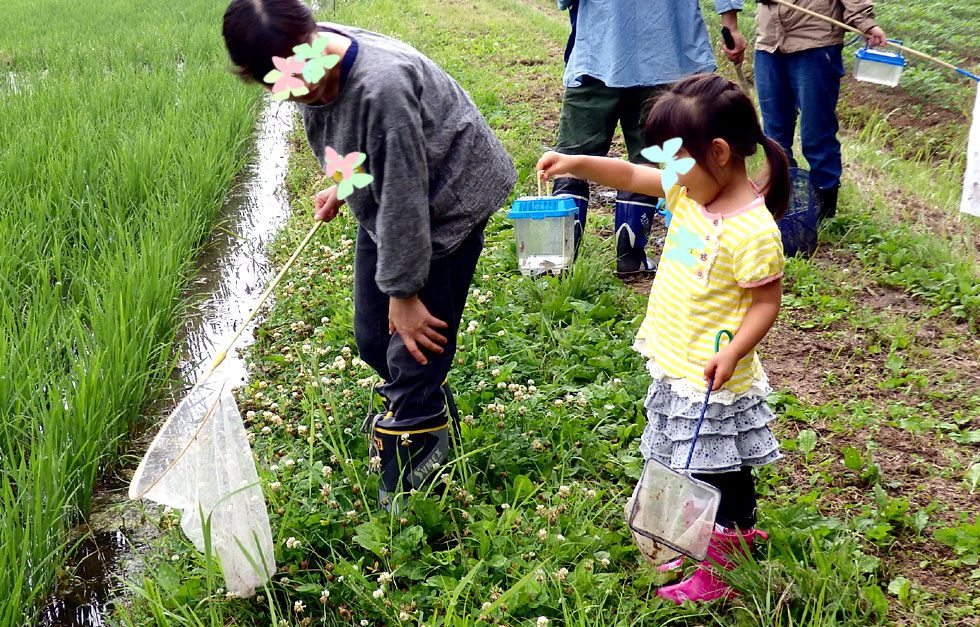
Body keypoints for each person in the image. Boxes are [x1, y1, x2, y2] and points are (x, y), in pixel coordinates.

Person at [222, 0, 516, 509]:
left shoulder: (383, 88)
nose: (301, 88)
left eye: (303, 72)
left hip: (445, 200)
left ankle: (418, 457)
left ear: (312, 36)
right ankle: (421, 399)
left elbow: (404, 195)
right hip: (397, 196)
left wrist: (404, 294)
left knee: (414, 344)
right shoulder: (301, 59)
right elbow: (361, 139)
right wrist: (343, 183)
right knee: (371, 336)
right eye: (282, 83)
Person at [537, 74, 789, 603]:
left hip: (712, 373)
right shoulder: (692, 186)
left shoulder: (752, 230)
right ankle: (731, 533)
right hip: (677, 359)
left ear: (718, 152)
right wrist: (575, 162)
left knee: (713, 467)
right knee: (712, 463)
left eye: (677, 161)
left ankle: (723, 563)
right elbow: (631, 172)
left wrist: (733, 351)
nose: (669, 175)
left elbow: (766, 304)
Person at [553, 0, 747, 276]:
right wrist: (730, 24)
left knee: (571, 160)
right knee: (648, 155)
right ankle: (630, 257)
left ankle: (558, 263)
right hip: (666, 51)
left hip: (599, 49)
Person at [728, 0, 886, 220]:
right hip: (769, 44)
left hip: (815, 43)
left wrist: (865, 23)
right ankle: (783, 202)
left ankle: (825, 210)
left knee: (816, 132)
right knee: (774, 134)